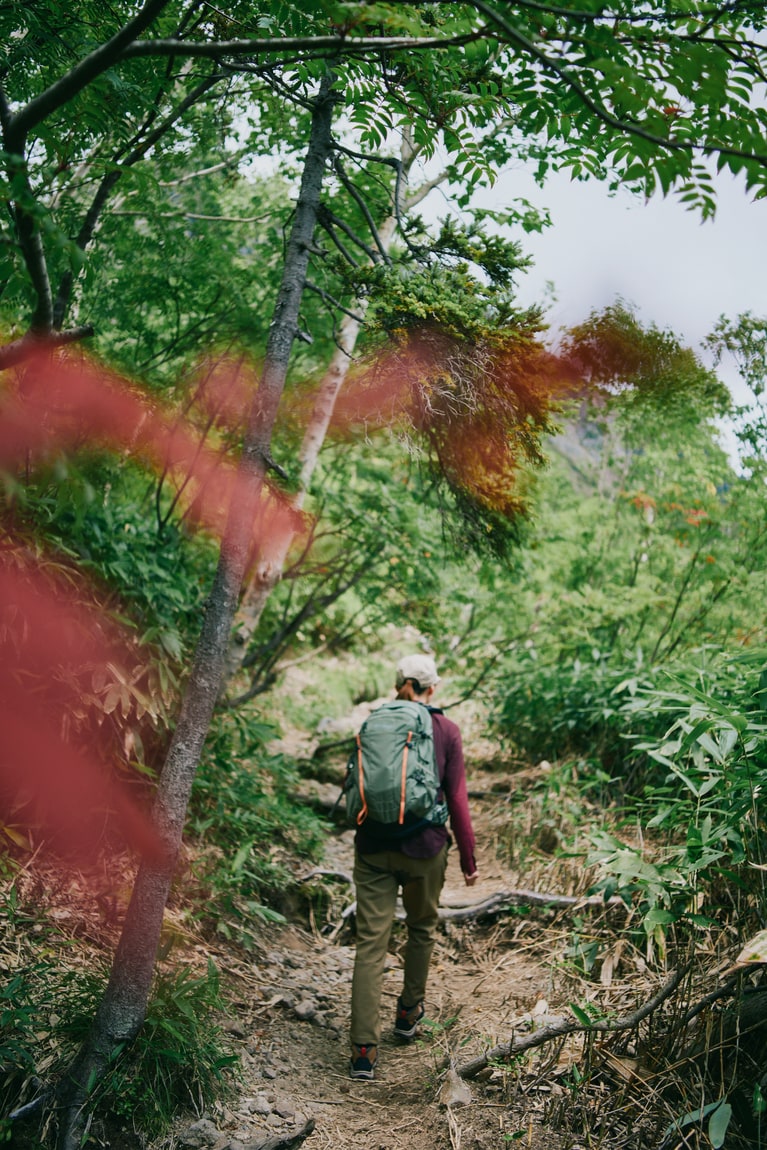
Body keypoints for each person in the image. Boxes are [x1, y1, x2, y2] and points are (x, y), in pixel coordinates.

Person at [349, 653, 479, 1081]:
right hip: (425, 848)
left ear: (399, 683)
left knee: (371, 943)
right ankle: (408, 1012)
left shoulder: (375, 722)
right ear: (432, 688)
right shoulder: (446, 729)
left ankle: (364, 1050)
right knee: (421, 926)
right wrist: (468, 857)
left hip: (372, 846)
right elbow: (457, 798)